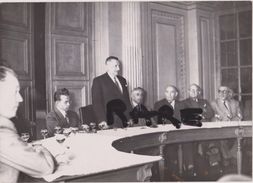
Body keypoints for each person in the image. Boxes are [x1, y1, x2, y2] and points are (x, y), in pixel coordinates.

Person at [0, 65, 55, 182]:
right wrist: (42, 148)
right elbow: (45, 167)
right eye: (15, 92)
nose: (20, 99)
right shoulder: (2, 130)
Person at [181, 84, 215, 178]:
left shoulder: (204, 101)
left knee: (206, 144)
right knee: (188, 144)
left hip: (203, 129)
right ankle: (190, 167)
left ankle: (204, 168)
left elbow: (210, 113)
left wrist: (197, 115)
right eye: (191, 90)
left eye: (196, 90)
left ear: (199, 92)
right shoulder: (184, 103)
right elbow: (185, 116)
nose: (193, 92)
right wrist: (201, 115)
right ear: (188, 91)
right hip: (190, 130)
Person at [91, 56, 132, 129]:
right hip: (109, 122)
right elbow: (97, 103)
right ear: (107, 66)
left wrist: (130, 117)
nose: (118, 69)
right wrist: (102, 120)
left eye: (118, 66)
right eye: (115, 66)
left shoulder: (123, 80)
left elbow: (127, 101)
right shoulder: (99, 81)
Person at [154, 85, 183, 179]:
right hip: (163, 133)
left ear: (176, 94)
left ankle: (175, 173)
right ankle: (169, 175)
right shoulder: (158, 104)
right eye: (167, 92)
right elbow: (157, 120)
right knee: (168, 149)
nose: (169, 94)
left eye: (172, 92)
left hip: (178, 133)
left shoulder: (181, 104)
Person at [211, 86, 242, 170]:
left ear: (228, 93)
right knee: (222, 139)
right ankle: (227, 158)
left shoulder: (235, 103)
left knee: (240, 137)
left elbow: (239, 116)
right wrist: (220, 119)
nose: (222, 93)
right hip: (221, 128)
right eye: (220, 91)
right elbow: (212, 117)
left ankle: (231, 157)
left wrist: (233, 118)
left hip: (233, 127)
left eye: (224, 91)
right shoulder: (214, 103)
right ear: (218, 93)